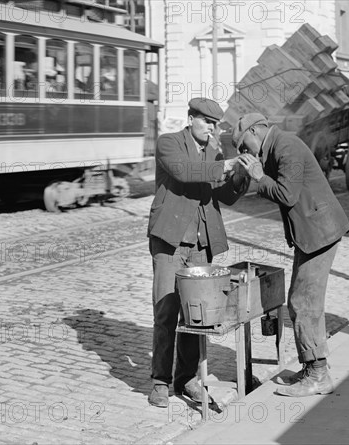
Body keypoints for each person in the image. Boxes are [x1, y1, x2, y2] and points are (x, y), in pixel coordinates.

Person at [233, 113, 349, 397]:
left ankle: (318, 374)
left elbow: (287, 195)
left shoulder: (286, 146)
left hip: (320, 232)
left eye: (242, 144)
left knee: (303, 301)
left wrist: (259, 177)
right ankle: (313, 366)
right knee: (302, 300)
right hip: (312, 233)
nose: (243, 151)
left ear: (254, 130)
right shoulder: (276, 147)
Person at [147, 98, 249, 408]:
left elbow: (226, 196)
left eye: (216, 124)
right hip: (170, 241)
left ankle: (187, 378)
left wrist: (240, 174)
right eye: (206, 122)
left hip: (200, 244)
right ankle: (160, 381)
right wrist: (225, 164)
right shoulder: (168, 144)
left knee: (196, 315)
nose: (212, 129)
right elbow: (184, 172)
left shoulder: (213, 153)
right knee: (166, 311)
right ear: (191, 118)